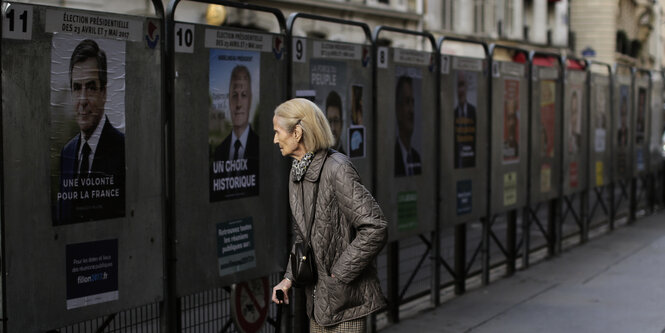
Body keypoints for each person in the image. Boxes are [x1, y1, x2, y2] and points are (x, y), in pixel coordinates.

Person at [271, 98, 387, 332]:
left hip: (346, 306)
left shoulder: (338, 169)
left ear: (297, 133)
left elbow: (375, 226)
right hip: (317, 303)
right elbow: (303, 238)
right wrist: (288, 279)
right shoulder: (297, 174)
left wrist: (339, 274)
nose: (275, 139)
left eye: (277, 132)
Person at [57, 39, 125, 224]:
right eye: (77, 88)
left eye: (91, 87)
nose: (83, 99)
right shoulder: (67, 153)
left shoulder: (124, 150)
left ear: (104, 93)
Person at [212, 65, 259, 199]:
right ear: (228, 100)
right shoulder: (219, 151)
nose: (238, 104)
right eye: (234, 95)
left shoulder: (261, 147)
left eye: (243, 95)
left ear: (250, 100)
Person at [394, 75, 422, 176]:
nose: (411, 110)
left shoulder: (417, 157)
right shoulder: (392, 156)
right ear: (397, 109)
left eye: (412, 102)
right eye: (407, 102)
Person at [454, 72, 476, 168]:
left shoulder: (473, 112)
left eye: (462, 85)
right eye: (459, 86)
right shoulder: (453, 114)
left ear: (466, 87)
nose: (461, 90)